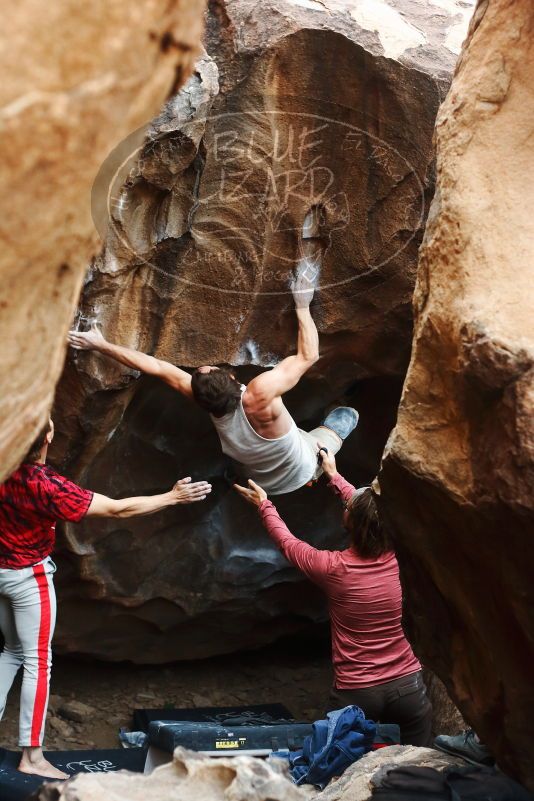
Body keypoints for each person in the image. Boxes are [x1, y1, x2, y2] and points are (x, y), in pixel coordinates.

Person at [67, 209, 359, 495]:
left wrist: (100, 344)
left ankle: (234, 477)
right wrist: (302, 304)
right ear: (232, 377)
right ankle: (334, 428)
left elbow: (154, 367)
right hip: (302, 468)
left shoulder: (204, 397)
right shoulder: (259, 393)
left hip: (259, 481)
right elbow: (307, 356)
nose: (204, 366)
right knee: (343, 421)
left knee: (243, 467)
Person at [0, 419, 211, 780]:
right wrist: (172, 497)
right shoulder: (46, 485)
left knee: (10, 652)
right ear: (49, 436)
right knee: (38, 661)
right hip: (27, 576)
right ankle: (31, 756)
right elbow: (118, 509)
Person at [234, 446, 433, 746]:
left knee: (330, 761)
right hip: (407, 686)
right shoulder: (401, 557)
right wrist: (334, 476)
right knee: (422, 764)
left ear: (347, 521)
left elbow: (289, 544)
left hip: (356, 693)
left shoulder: (333, 568)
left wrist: (265, 505)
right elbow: (368, 513)